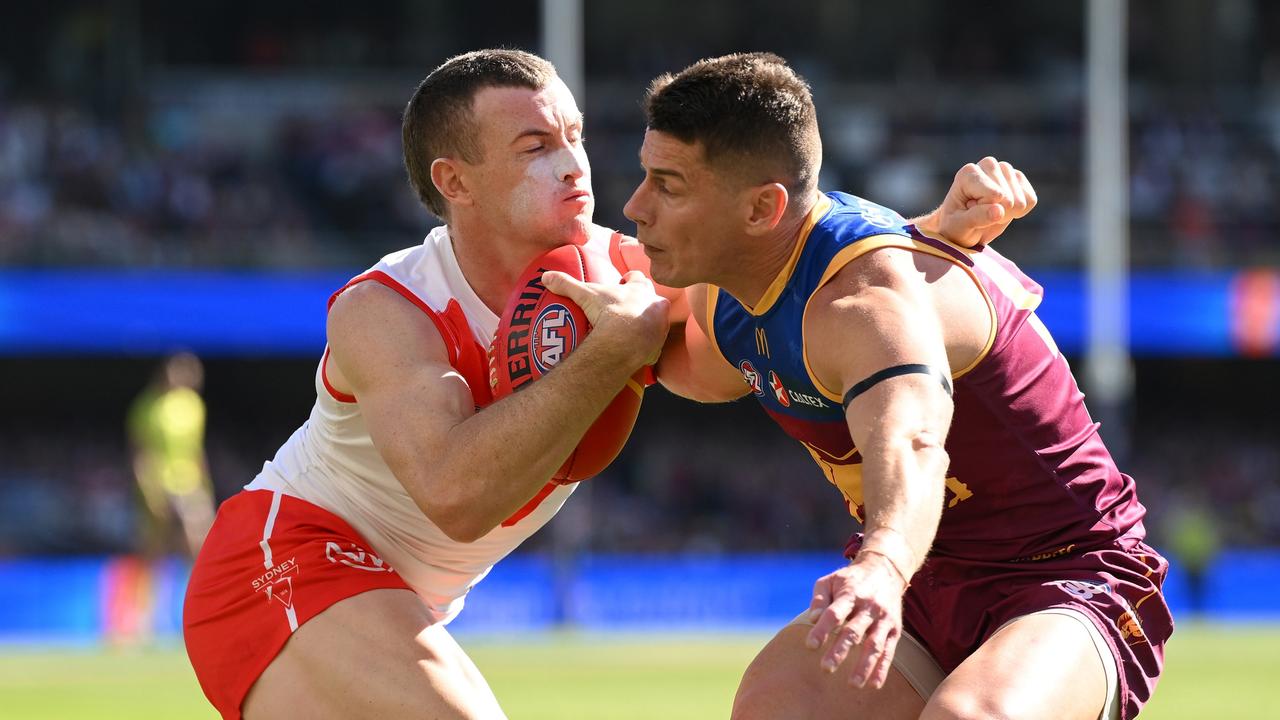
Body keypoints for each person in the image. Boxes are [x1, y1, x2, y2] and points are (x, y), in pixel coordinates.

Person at [182, 49, 1031, 720]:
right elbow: (455, 494)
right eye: (534, 147)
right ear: (454, 183)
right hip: (282, 561)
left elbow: (774, 306)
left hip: (402, 599)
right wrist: (609, 354)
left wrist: (922, 240)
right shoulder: (387, 307)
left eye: (575, 135)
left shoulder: (627, 269)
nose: (573, 165)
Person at [588, 53, 1171, 720]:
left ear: (761, 208)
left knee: (970, 717)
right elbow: (686, 368)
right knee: (776, 705)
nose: (635, 206)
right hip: (927, 575)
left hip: (1066, 575)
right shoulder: (730, 303)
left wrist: (882, 568)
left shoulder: (867, 304)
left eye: (669, 185)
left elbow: (914, 443)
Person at [129, 351, 215, 558]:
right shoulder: (147, 406)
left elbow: (196, 450)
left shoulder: (194, 405)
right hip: (158, 482)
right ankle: (148, 588)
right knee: (155, 543)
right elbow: (140, 451)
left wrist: (206, 485)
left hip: (188, 482)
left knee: (199, 534)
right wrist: (148, 488)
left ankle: (196, 586)